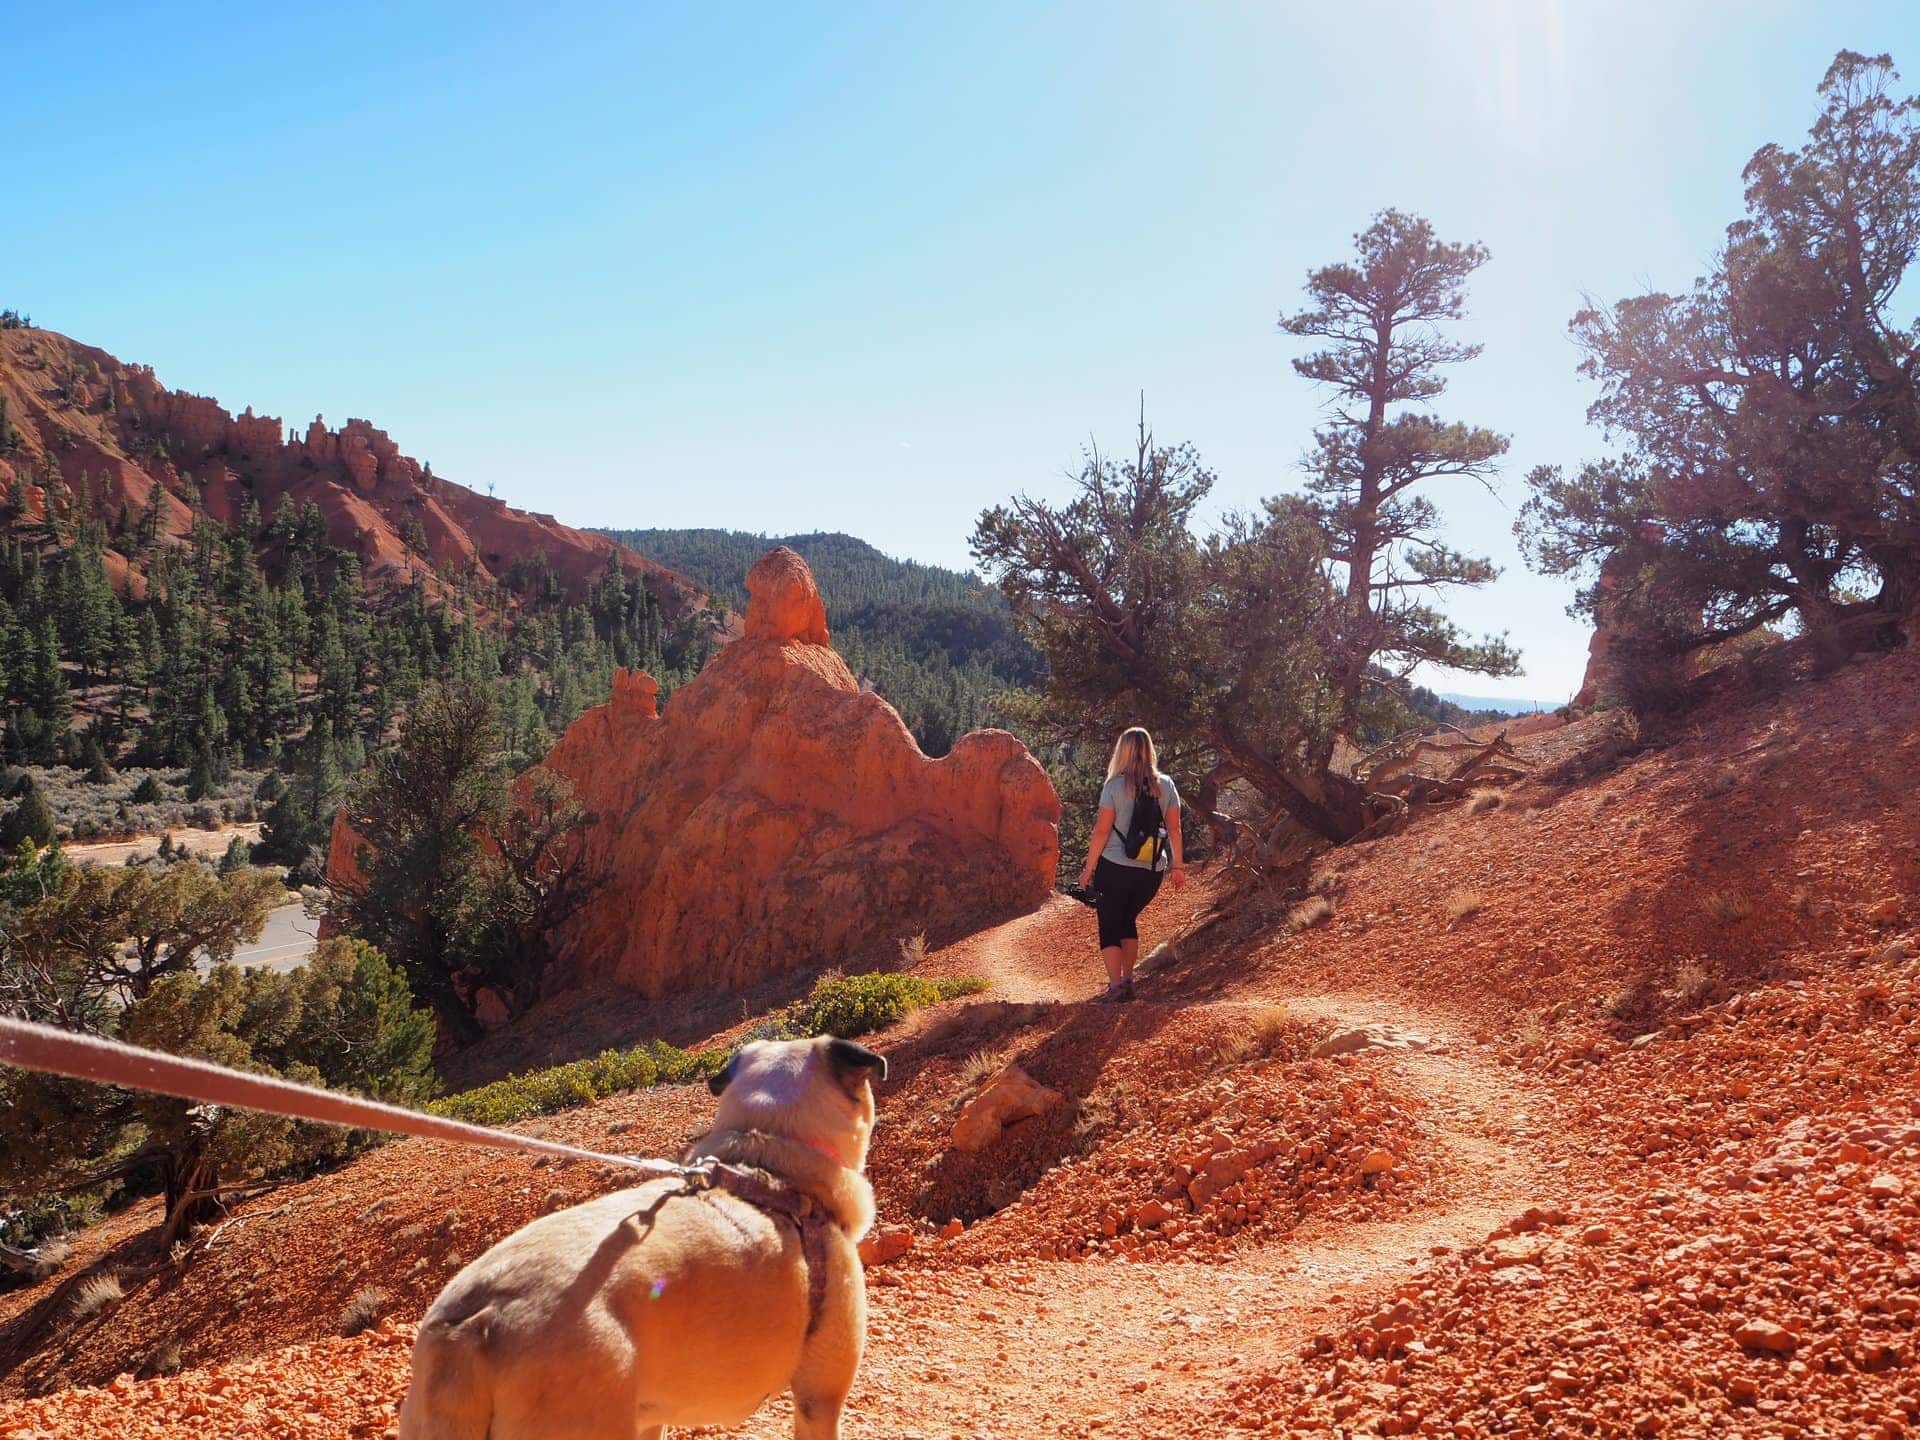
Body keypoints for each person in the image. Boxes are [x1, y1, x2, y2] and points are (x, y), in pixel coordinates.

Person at [1076, 727, 1184, 1003]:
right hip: (1151, 871)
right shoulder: (1167, 785)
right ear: (1149, 749)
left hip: (1114, 867)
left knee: (1110, 924)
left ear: (1121, 751)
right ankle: (1128, 979)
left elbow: (1101, 832)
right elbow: (1175, 829)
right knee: (1127, 920)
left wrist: (1088, 870)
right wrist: (1178, 867)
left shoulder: (1114, 787)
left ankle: (1115, 987)